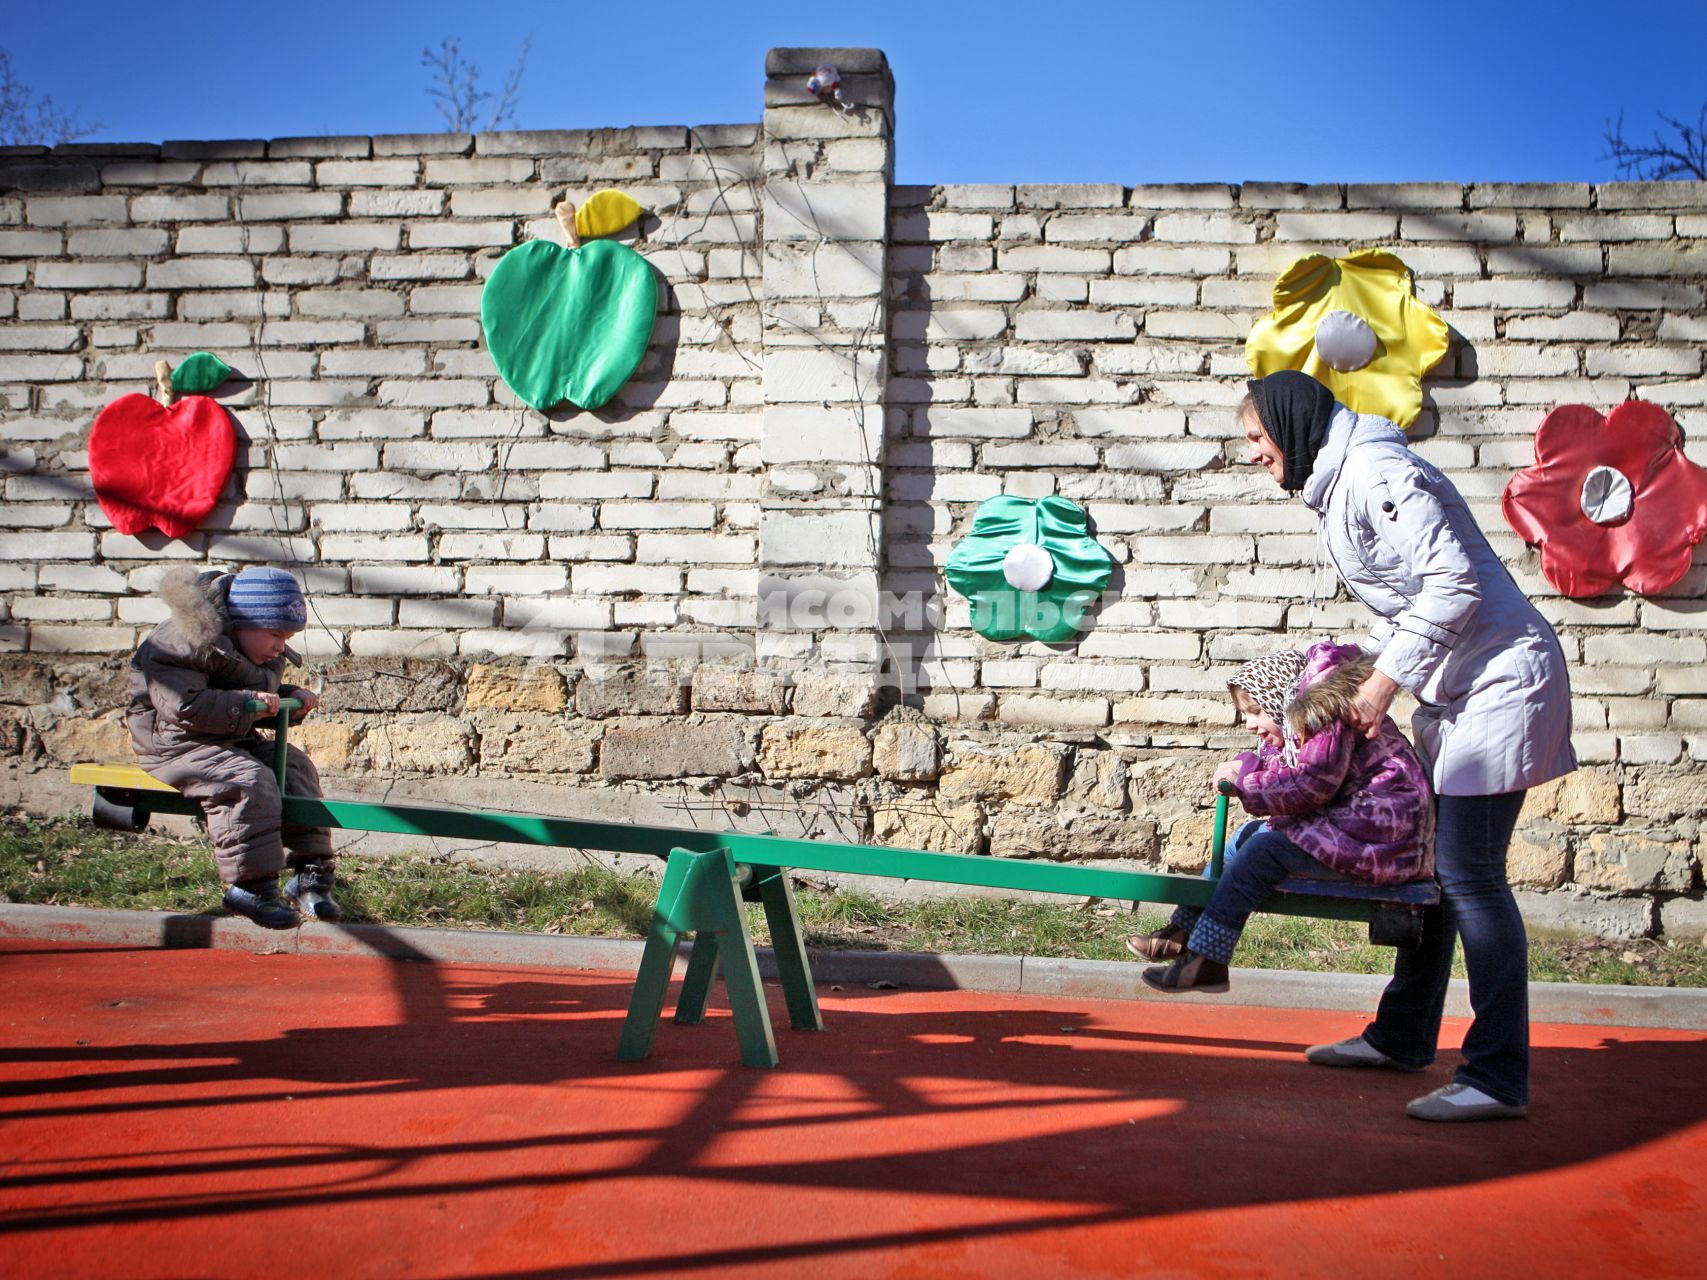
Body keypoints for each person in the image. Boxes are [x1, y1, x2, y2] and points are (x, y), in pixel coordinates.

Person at [1238, 370, 1576, 1123]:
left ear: (1292, 426)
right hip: (1464, 691)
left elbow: (1452, 584)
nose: (1256, 455)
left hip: (1500, 686)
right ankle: (1402, 1037)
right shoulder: (1346, 480)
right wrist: (1321, 686)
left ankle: (1494, 1077)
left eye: (1258, 439)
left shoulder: (1376, 471)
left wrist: (1380, 687)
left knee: (1469, 876)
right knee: (1437, 872)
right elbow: (1407, 608)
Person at [1129, 641, 1434, 996]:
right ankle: (1183, 932)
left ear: (1278, 699)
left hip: (1383, 835)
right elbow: (1285, 768)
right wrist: (1247, 766)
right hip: (1363, 825)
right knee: (1244, 839)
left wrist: (1246, 784)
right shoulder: (1298, 724)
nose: (1250, 724)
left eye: (1256, 711)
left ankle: (1207, 960)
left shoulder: (1322, 711)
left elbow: (1313, 783)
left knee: (1264, 851)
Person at [127, 565, 339, 929]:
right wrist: (248, 702)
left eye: (287, 637)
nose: (280, 646)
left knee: (294, 767)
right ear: (242, 622)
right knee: (246, 779)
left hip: (227, 736)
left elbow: (247, 698)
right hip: (175, 742)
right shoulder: (181, 641)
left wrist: (286, 699)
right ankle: (250, 887)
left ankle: (310, 874)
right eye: (275, 634)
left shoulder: (257, 650)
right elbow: (184, 706)